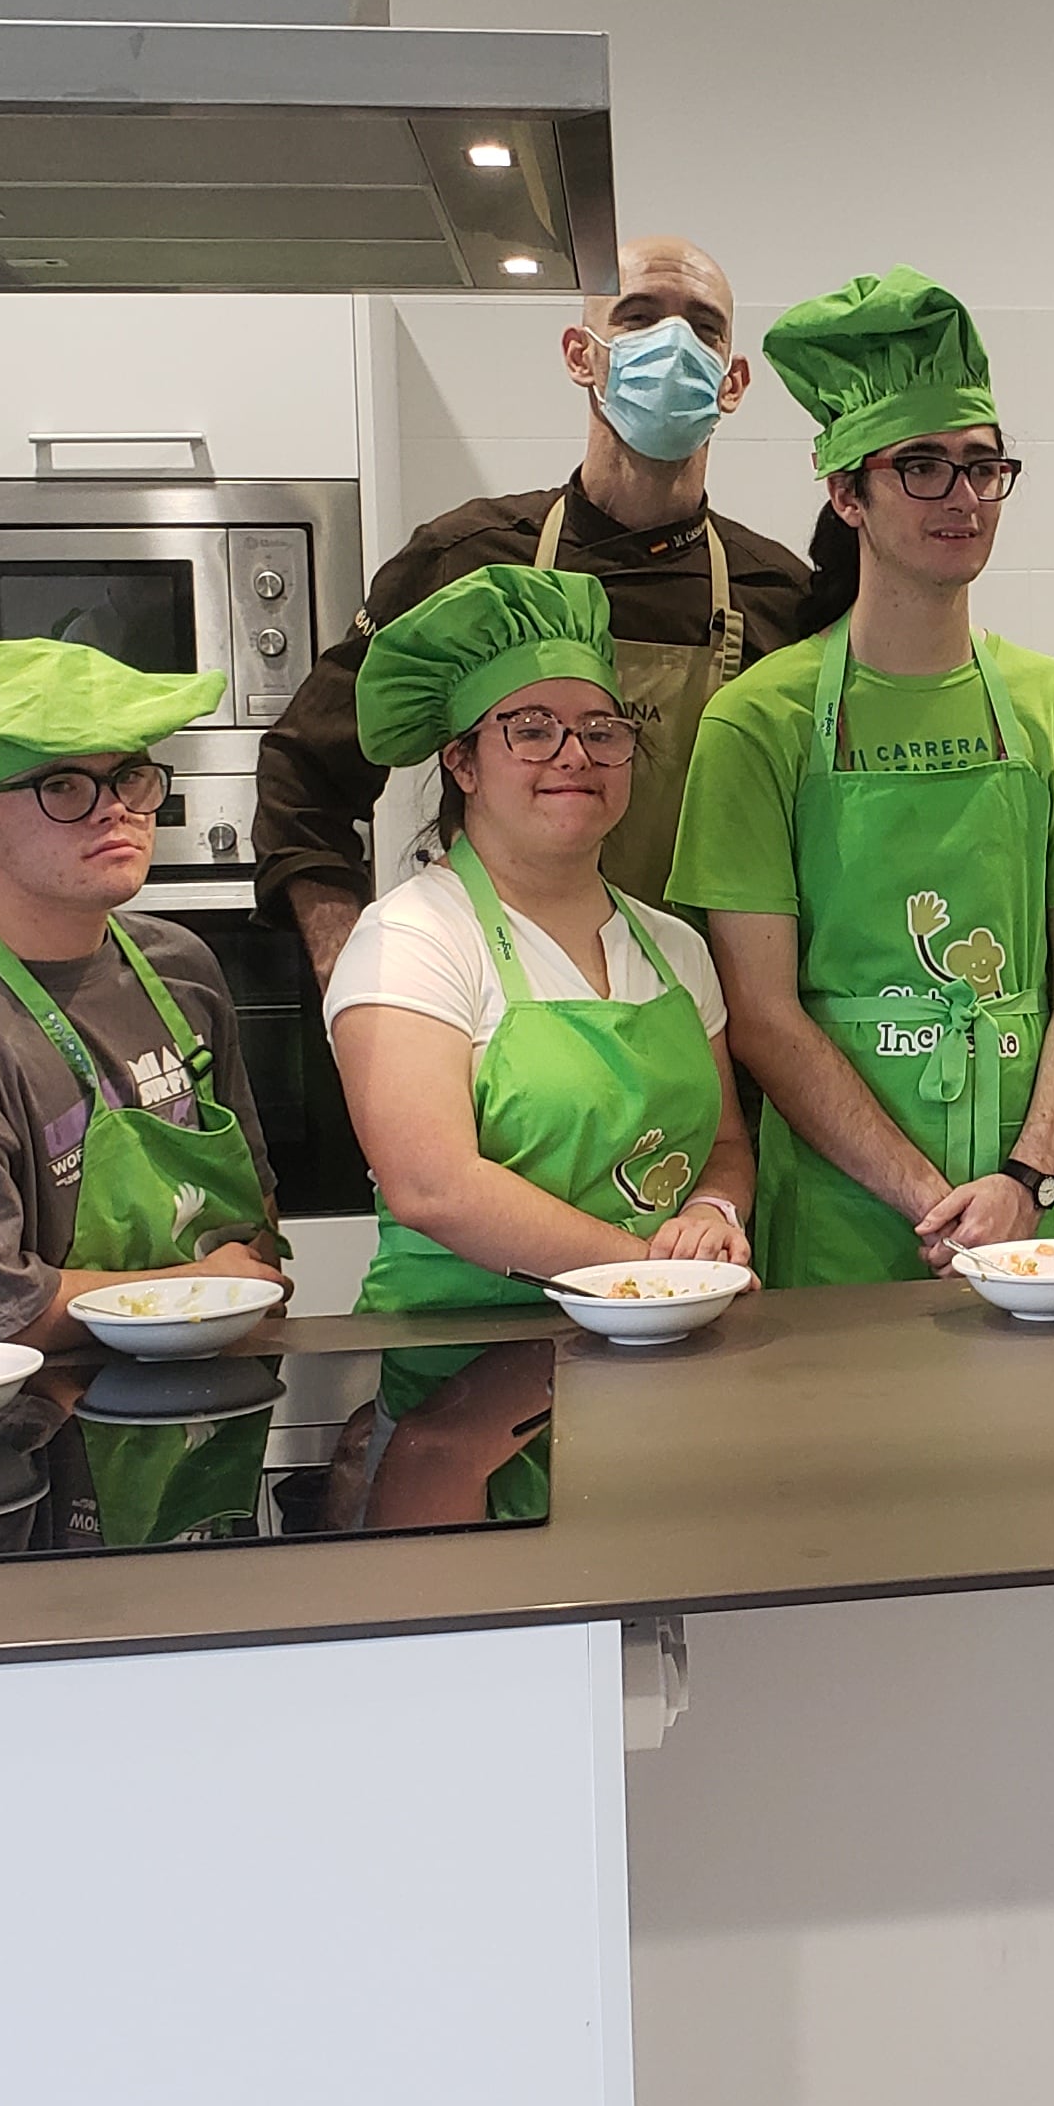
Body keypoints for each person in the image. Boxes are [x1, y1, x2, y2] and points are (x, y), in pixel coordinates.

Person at [671, 271, 1054, 1285]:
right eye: (922, 467)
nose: (963, 498)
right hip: (846, 1205)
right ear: (846, 494)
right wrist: (937, 1205)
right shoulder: (760, 721)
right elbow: (763, 1014)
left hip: (1032, 1199)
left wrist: (1027, 1174)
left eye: (981, 466)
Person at [254, 234, 819, 973]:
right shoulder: (469, 558)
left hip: (706, 1019)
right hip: (493, 1017)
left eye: (703, 328)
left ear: (733, 380)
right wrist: (349, 967)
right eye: (639, 318)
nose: (673, 346)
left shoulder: (780, 595)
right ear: (581, 355)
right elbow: (305, 777)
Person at [330, 567, 758, 1500]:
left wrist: (713, 1218)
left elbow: (725, 1143)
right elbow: (432, 1186)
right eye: (531, 728)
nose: (575, 754)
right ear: (463, 763)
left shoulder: (674, 946)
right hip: (461, 1396)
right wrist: (649, 1274)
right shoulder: (411, 938)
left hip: (653, 1379)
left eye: (603, 731)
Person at [0, 642, 286, 1352]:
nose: (114, 811)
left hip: (211, 1404)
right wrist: (203, 1290)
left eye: (130, 778)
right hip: (35, 1438)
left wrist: (241, 1281)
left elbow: (256, 1205)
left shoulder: (180, 966)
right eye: (63, 787)